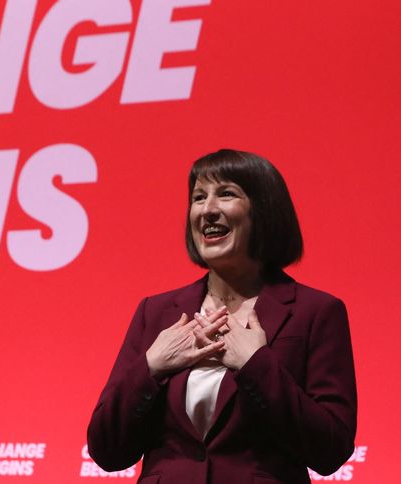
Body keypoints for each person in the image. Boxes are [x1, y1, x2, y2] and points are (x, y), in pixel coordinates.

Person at [87, 149, 357, 484]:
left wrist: (256, 366)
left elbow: (331, 449)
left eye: (226, 194)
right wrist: (151, 368)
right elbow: (106, 450)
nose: (208, 210)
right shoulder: (155, 312)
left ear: (264, 210)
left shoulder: (315, 313)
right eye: (198, 197)